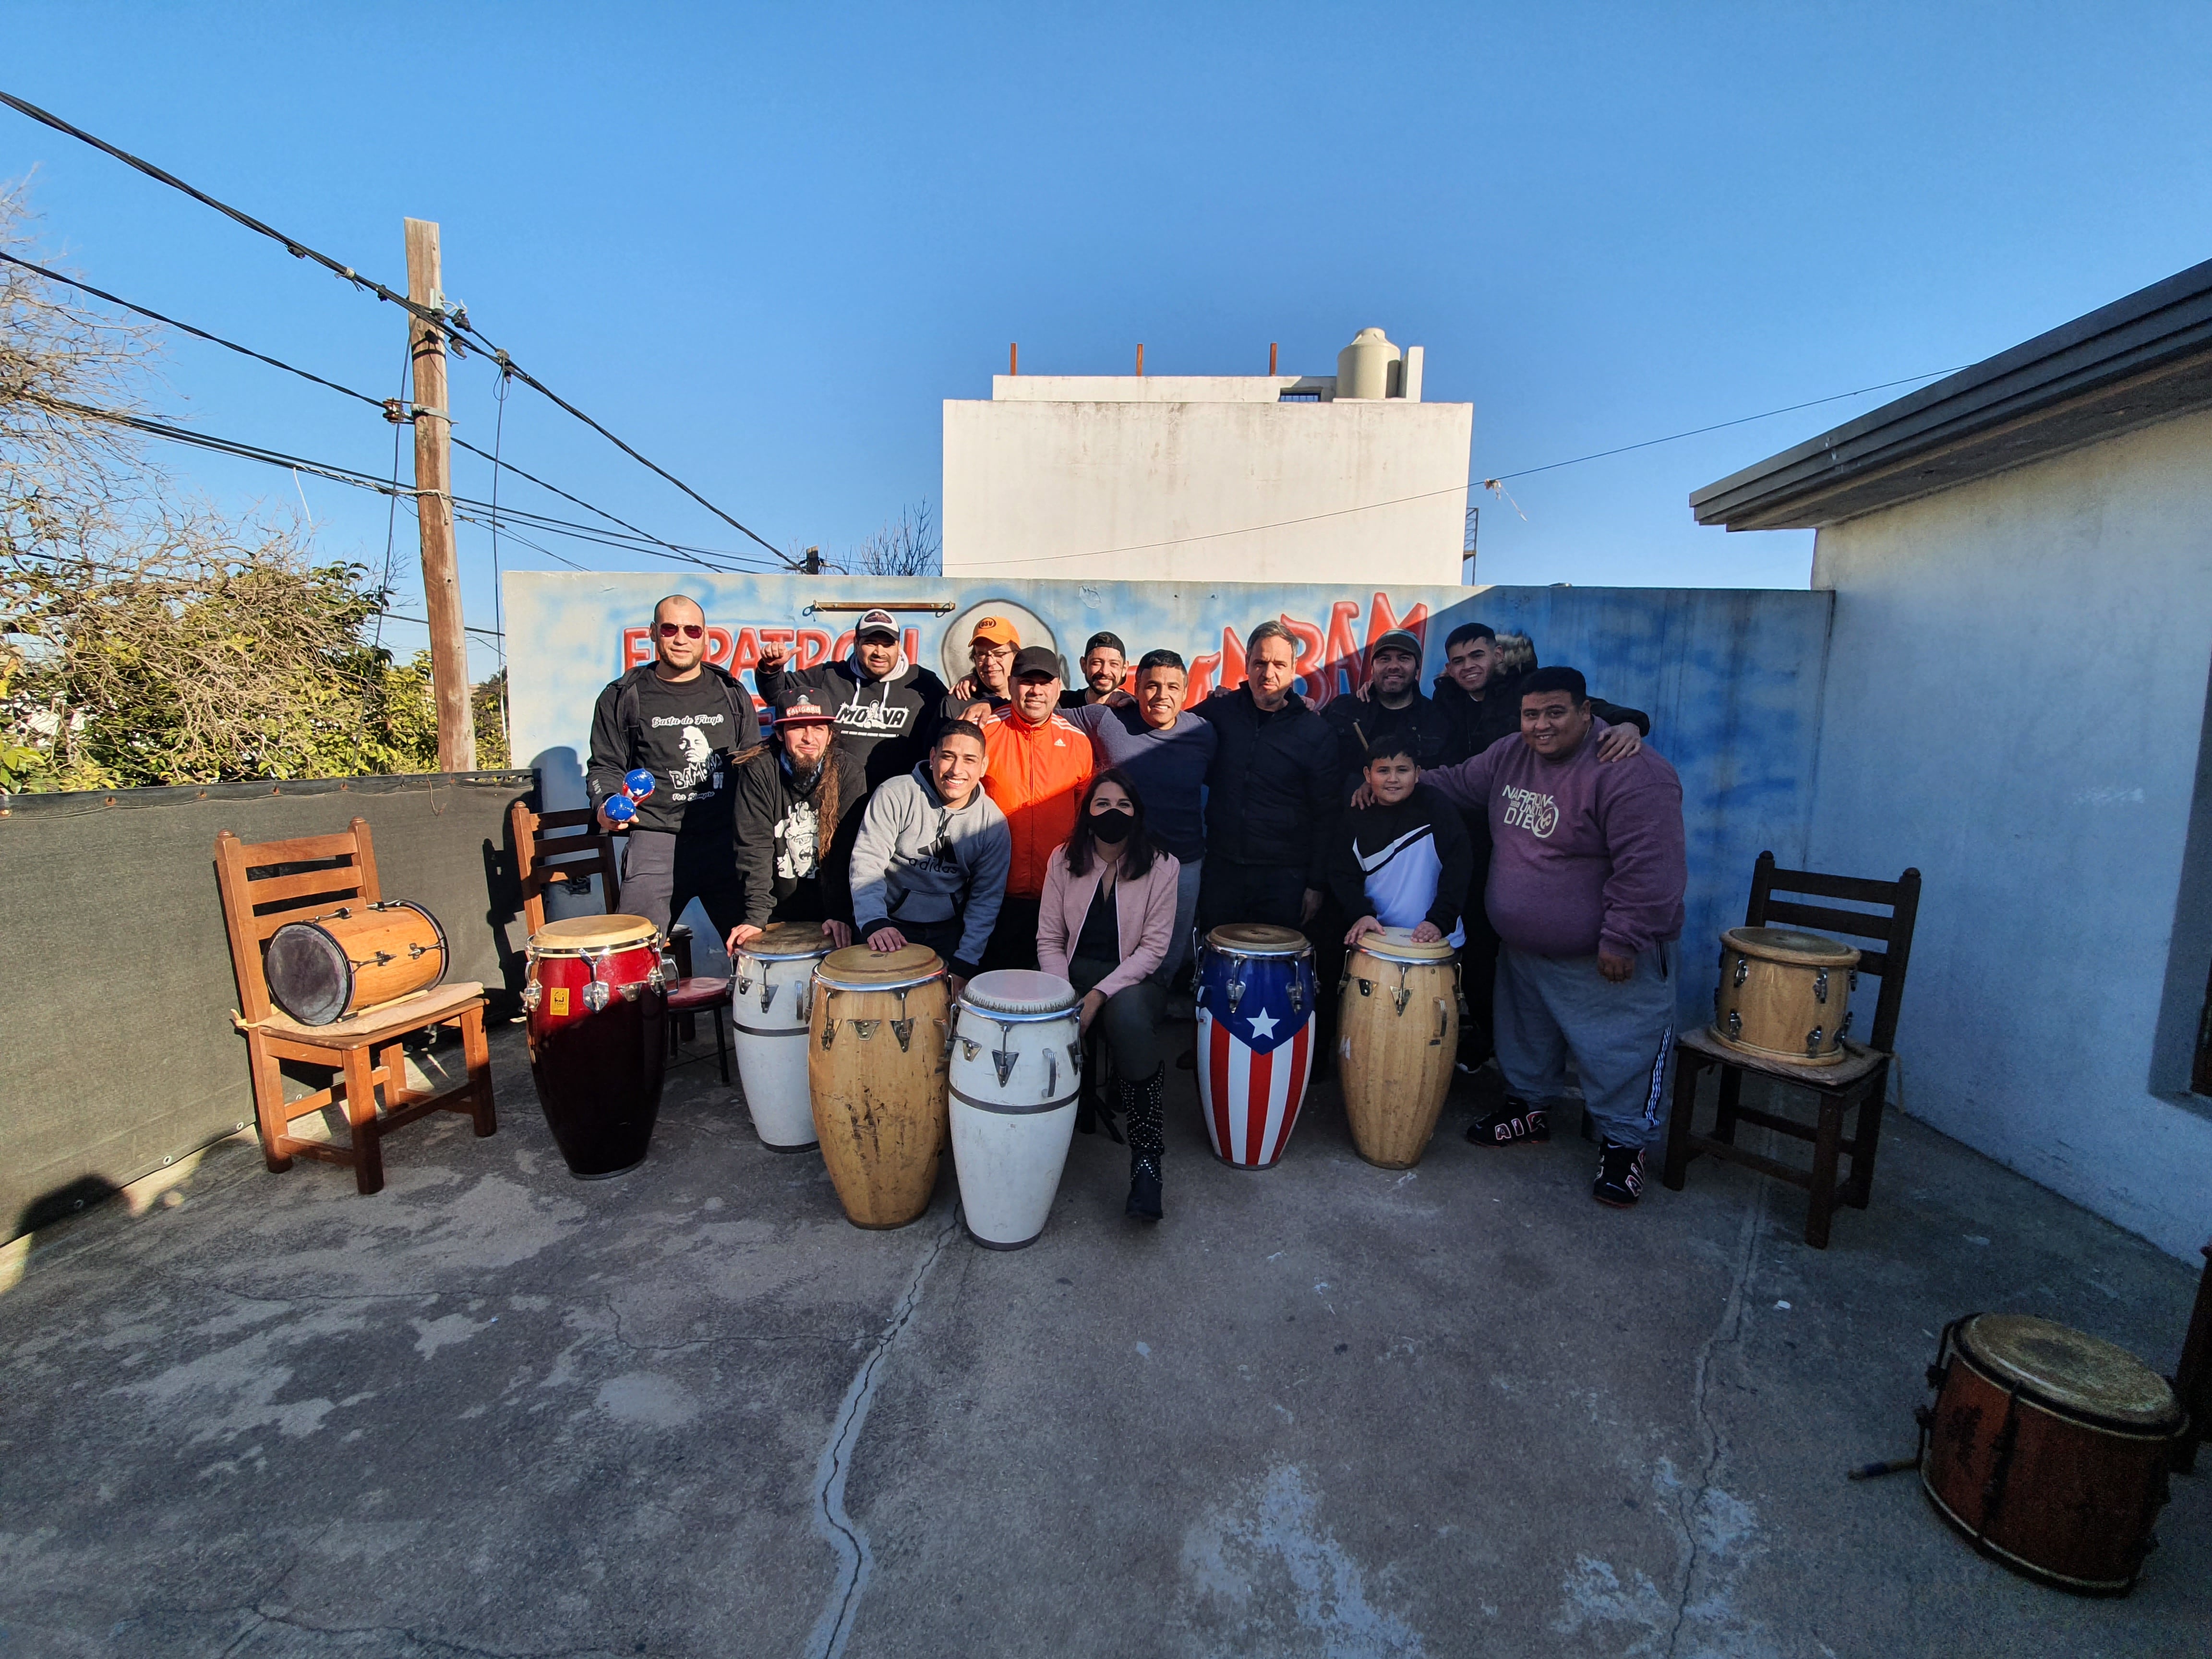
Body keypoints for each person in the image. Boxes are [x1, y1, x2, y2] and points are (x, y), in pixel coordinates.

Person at [1418, 666, 1686, 1209]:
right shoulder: (1509, 755)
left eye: (1555, 713)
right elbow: (1458, 782)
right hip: (1524, 949)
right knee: (1525, 1042)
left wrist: (1623, 937)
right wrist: (1394, 780)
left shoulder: (1630, 771)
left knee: (1620, 1052)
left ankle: (1623, 1147)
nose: (1541, 726)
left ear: (1588, 713)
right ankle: (1527, 1111)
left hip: (1604, 957)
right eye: (1531, 714)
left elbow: (1650, 869)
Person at [1037, 769, 1179, 1222]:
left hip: (1135, 979)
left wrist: (1097, 996)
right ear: (1087, 813)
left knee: (1130, 1017)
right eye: (1102, 804)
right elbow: (1049, 940)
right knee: (1039, 1018)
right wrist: (1063, 997)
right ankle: (1034, 1148)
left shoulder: (1163, 865)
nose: (1112, 813)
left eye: (1123, 805)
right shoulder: (1062, 858)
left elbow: (1154, 949)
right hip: (1070, 975)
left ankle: (1146, 1162)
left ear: (1137, 813)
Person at [587, 593, 760, 940]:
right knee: (635, 955)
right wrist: (605, 804)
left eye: (692, 630)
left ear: (706, 636)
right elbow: (605, 766)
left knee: (754, 955)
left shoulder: (730, 692)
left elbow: (755, 767)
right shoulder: (623, 695)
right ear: (653, 633)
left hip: (726, 842)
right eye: (670, 628)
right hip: (656, 842)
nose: (681, 638)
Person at [1064, 649, 1216, 988]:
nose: (1162, 696)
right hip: (1121, 861)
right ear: (1135, 688)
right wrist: (989, 704)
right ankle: (1116, 1009)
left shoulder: (1204, 732)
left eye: (1172, 687)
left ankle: (1152, 1011)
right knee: (1120, 947)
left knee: (1169, 953)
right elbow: (1043, 715)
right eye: (1151, 686)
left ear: (1186, 692)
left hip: (1183, 862)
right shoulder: (1107, 719)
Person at [1191, 620, 1339, 936]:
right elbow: (1169, 724)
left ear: (1293, 669)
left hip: (1284, 880)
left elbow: (1327, 814)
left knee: (1275, 976)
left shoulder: (1316, 733)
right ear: (1247, 664)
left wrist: (1316, 884)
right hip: (1223, 872)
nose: (1268, 673)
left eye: (1278, 664)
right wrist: (1128, 706)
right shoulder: (1221, 712)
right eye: (1260, 663)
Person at [846, 721, 1010, 997]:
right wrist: (874, 922)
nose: (957, 770)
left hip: (947, 935)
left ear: (983, 767)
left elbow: (986, 899)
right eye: (948, 757)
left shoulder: (992, 824)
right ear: (933, 758)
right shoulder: (895, 794)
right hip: (887, 926)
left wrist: (966, 962)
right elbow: (868, 861)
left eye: (969, 760)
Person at [979, 646, 1095, 970]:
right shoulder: (985, 731)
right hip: (993, 895)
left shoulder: (1077, 742)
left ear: (1058, 687)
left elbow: (1086, 820)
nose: (1036, 691)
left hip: (1055, 896)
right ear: (1012, 683)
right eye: (1027, 681)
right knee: (994, 987)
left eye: (1045, 682)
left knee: (1047, 990)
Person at [754, 608, 949, 792]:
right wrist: (770, 670)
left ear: (899, 646)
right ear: (856, 644)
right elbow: (777, 695)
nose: (879, 652)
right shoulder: (829, 676)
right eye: (871, 643)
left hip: (899, 802)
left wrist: (973, 683)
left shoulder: (923, 683)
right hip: (835, 798)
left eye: (888, 644)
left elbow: (952, 726)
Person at [726, 696, 865, 955]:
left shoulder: (849, 770)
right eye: (798, 727)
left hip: (832, 907)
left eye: (818, 728)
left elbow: (849, 850)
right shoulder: (759, 771)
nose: (809, 738)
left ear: (830, 734)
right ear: (779, 733)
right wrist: (756, 916)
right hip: (774, 905)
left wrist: (841, 914)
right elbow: (753, 847)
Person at [1327, 736, 1474, 952]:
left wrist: (1438, 921)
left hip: (1439, 942)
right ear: (1368, 775)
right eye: (1383, 771)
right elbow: (1342, 875)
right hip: (1377, 939)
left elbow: (1459, 867)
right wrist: (1361, 915)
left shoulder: (1436, 807)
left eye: (1402, 770)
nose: (1393, 779)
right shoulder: (1356, 816)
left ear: (1417, 774)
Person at [1321, 628, 1455, 796]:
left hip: (1412, 818)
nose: (1393, 666)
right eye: (1385, 659)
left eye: (1403, 659)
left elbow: (1445, 781)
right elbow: (1320, 763)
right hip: (1346, 816)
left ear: (1417, 668)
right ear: (1373, 668)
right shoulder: (1343, 709)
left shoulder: (1437, 720)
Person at [941, 614, 1022, 723]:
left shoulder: (1033, 699)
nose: (989, 662)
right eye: (982, 654)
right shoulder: (956, 705)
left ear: (1016, 656)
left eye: (999, 654)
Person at [1059, 631, 1128, 709]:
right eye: (1097, 663)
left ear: (1124, 669)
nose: (1105, 672)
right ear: (1084, 665)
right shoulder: (1061, 703)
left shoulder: (1134, 710)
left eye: (1114, 664)